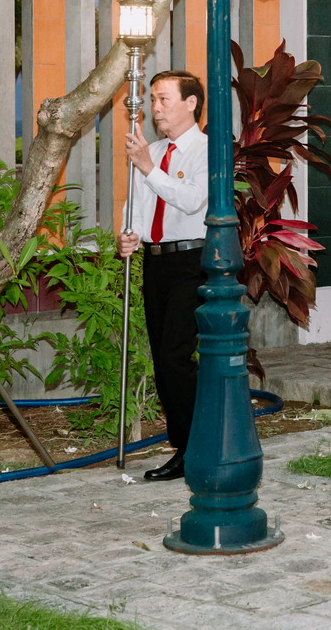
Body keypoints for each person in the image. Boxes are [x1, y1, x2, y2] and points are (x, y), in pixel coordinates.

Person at [117, 70, 208, 481]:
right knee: (162, 358)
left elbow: (191, 201)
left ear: (191, 103)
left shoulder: (206, 150)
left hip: (191, 261)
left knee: (175, 355)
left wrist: (149, 167)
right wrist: (128, 234)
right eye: (152, 99)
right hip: (155, 262)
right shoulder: (151, 150)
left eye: (164, 99)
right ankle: (184, 446)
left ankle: (194, 448)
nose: (155, 108)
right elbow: (136, 204)